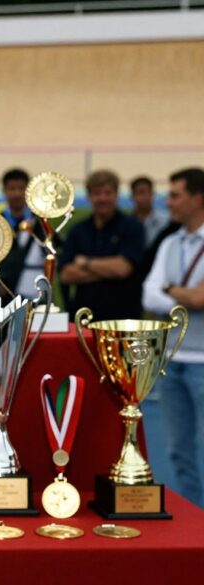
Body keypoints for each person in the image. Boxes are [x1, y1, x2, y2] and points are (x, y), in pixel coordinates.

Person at [142, 167, 204, 508]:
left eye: (176, 195)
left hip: (203, 360)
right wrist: (183, 294)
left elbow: (201, 299)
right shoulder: (169, 243)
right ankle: (195, 518)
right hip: (173, 359)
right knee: (178, 450)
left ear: (198, 198)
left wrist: (171, 290)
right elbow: (149, 295)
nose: (169, 202)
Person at [0, 168, 60, 305]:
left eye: (21, 188)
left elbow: (53, 254)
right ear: (4, 191)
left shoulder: (41, 225)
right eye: (12, 188)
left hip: (31, 295)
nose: (17, 193)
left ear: (28, 191)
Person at [58, 169, 145, 320]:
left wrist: (85, 262)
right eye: (97, 193)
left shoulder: (133, 226)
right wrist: (108, 270)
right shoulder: (78, 230)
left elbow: (122, 269)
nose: (102, 198)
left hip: (122, 319)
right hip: (84, 320)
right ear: (89, 196)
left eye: (108, 193)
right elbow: (66, 275)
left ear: (117, 195)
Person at [131, 176, 170, 247]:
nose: (145, 197)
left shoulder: (166, 221)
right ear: (132, 196)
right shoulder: (127, 223)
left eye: (149, 192)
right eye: (141, 193)